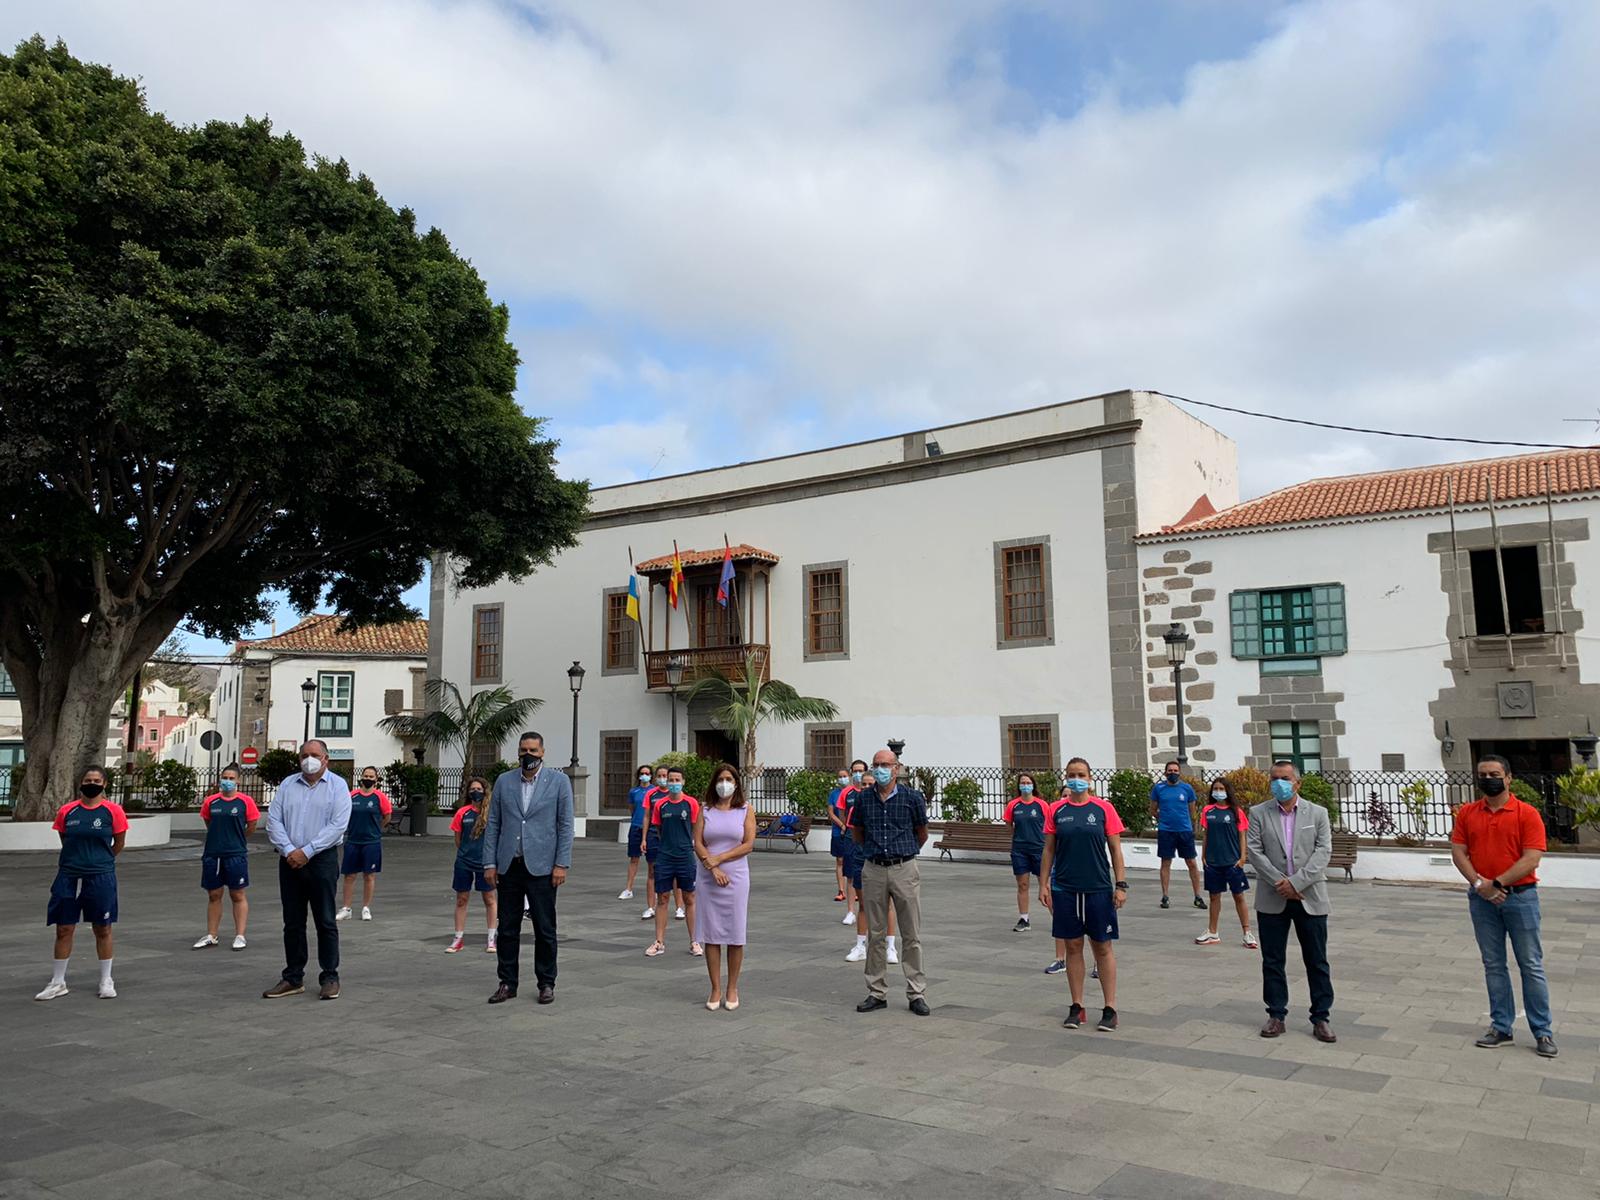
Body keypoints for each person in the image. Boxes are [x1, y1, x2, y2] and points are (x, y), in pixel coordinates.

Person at [1450, 755, 1557, 1058]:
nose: (1488, 779)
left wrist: (1495, 884)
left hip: (1521, 898)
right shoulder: (1469, 813)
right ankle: (1501, 1026)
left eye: (1494, 774)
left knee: (1531, 965)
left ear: (1508, 778)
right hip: (1482, 901)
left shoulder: (1527, 814)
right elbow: (1458, 851)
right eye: (1482, 775)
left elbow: (1531, 858)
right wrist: (1479, 885)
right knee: (1493, 965)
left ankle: (1542, 1031)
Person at [1246, 760, 1336, 1043]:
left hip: (1309, 895)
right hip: (1273, 897)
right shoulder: (1258, 813)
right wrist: (1280, 883)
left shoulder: (1317, 813)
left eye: (1284, 778)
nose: (1278, 783)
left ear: (1297, 782)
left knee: (1317, 960)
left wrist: (1296, 883)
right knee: (1272, 960)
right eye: (1274, 778)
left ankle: (1321, 1017)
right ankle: (1276, 1014)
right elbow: (1254, 851)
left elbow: (1323, 851)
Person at [484, 732, 575, 1005]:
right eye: (524, 749)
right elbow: (494, 824)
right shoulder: (504, 781)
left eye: (533, 750)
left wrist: (561, 863)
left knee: (545, 928)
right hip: (509, 865)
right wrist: (490, 862)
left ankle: (546, 982)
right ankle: (507, 982)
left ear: (543, 752)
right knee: (508, 927)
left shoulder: (558, 782)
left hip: (543, 866)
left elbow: (565, 826)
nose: (528, 755)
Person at [1039, 757, 1126, 1032]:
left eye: (1081, 774)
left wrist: (1121, 884)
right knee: (1073, 947)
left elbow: (1115, 849)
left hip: (1098, 888)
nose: (1076, 778)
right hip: (1065, 888)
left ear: (1090, 779)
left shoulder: (1103, 809)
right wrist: (1043, 884)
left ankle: (1110, 1008)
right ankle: (1077, 1006)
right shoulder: (1056, 810)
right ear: (1065, 778)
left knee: (1102, 946)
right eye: (1071, 774)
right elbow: (1049, 849)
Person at [263, 740, 352, 1000]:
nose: (308, 759)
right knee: (292, 922)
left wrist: (307, 851)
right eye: (304, 755)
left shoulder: (337, 786)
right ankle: (293, 976)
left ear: (326, 759)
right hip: (289, 860)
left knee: (325, 920)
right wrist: (290, 850)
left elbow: (338, 825)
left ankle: (330, 976)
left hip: (321, 859)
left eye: (314, 755)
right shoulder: (288, 784)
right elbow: (274, 821)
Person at [36, 766, 127, 1001]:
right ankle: (58, 982)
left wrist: (101, 861)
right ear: (81, 782)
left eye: (97, 780)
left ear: (104, 784)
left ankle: (106, 980)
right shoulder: (68, 811)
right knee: (64, 927)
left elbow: (118, 843)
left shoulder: (113, 811)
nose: (92, 783)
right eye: (88, 779)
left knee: (102, 927)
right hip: (69, 875)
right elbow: (65, 839)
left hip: (100, 876)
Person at [850, 748, 929, 1016]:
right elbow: (857, 831)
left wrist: (903, 852)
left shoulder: (912, 798)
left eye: (886, 764)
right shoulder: (864, 800)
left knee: (911, 933)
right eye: (876, 764)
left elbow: (922, 833)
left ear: (897, 768)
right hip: (873, 869)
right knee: (876, 933)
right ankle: (876, 991)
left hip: (904, 867)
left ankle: (916, 992)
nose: (881, 769)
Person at [694, 763, 757, 1009]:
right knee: (711, 933)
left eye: (729, 779)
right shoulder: (705, 809)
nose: (725, 783)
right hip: (709, 876)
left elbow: (748, 844)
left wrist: (719, 859)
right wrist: (712, 867)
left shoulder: (745, 810)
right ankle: (715, 987)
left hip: (736, 876)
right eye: (721, 779)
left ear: (736, 783)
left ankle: (732, 986)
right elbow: (698, 842)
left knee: (735, 932)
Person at [193, 764, 260, 951]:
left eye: (231, 778)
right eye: (225, 777)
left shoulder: (245, 802)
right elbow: (208, 822)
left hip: (235, 855)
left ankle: (240, 935)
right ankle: (211, 935)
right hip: (213, 855)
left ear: (238, 781)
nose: (227, 781)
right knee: (214, 894)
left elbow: (252, 825)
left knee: (237, 893)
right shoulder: (211, 802)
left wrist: (236, 839)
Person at [841, 762, 899, 963]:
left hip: (881, 860)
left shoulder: (883, 806)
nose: (865, 787)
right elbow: (854, 833)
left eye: (869, 784)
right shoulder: (856, 807)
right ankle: (860, 946)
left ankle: (890, 947)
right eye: (863, 784)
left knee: (888, 904)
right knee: (864, 904)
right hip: (861, 857)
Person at [644, 766, 701, 958]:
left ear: (683, 782)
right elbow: (658, 829)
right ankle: (659, 941)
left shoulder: (691, 803)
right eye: (671, 780)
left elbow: (696, 828)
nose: (674, 783)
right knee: (663, 898)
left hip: (685, 856)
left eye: (677, 780)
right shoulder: (660, 805)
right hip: (665, 856)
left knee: (689, 898)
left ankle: (694, 940)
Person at [1195, 776, 1255, 949]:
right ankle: (1212, 932)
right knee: (1214, 897)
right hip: (1213, 862)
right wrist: (1204, 856)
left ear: (1227, 791)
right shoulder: (1208, 810)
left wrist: (1243, 857)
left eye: (1222, 789)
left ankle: (1247, 933)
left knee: (1239, 896)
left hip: (1232, 862)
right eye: (1216, 789)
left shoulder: (1236, 811)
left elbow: (1242, 835)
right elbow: (1206, 834)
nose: (1218, 792)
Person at [447, 777, 497, 954]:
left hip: (485, 863)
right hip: (464, 862)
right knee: (462, 899)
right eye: (472, 789)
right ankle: (458, 938)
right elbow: (458, 840)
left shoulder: (492, 813)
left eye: (479, 788)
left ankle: (492, 939)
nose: (475, 791)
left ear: (485, 791)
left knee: (489, 899)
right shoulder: (462, 813)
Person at [338, 766, 391, 921]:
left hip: (371, 842)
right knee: (349, 876)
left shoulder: (379, 797)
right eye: (366, 776)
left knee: (369, 876)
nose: (368, 779)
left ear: (376, 779)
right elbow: (343, 812)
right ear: (361, 777)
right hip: (353, 841)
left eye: (371, 776)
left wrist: (377, 829)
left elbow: (387, 816)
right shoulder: (352, 795)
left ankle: (366, 908)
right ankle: (346, 908)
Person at [1149, 760, 1203, 910]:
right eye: (1170, 771)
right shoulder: (1158, 789)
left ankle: (1197, 896)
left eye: (1175, 770)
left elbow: (1192, 811)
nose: (1172, 773)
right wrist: (1163, 819)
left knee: (1191, 863)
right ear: (1165, 772)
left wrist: (1187, 823)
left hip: (1184, 831)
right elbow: (1153, 809)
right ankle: (1165, 896)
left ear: (1179, 772)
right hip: (1166, 831)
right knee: (1166, 863)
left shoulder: (1187, 789)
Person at [1004, 772, 1049, 933]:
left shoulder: (1041, 805)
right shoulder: (1013, 805)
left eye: (1028, 782)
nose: (1025, 785)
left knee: (1045, 884)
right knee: (1022, 884)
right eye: (1022, 782)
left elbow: (1049, 826)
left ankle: (1056, 916)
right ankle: (1024, 918)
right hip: (1020, 850)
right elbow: (1009, 825)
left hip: (1039, 849)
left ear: (1033, 785)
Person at [640, 765, 684, 923]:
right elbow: (646, 816)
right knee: (652, 871)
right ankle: (650, 906)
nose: (664, 779)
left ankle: (679, 906)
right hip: (654, 835)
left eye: (666, 776)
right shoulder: (651, 794)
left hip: (672, 838)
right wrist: (644, 838)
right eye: (660, 776)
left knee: (676, 873)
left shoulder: (678, 796)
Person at [619, 764, 654, 900]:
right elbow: (632, 808)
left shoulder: (654, 791)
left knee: (652, 861)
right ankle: (628, 888)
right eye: (642, 773)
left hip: (651, 829)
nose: (644, 775)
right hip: (636, 826)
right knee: (634, 858)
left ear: (651, 776)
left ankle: (654, 889)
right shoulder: (634, 792)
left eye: (647, 773)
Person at [828, 766, 852, 903]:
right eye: (839, 776)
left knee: (852, 859)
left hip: (851, 831)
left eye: (844, 775)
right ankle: (841, 890)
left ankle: (854, 890)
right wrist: (842, 825)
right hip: (838, 832)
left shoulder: (852, 792)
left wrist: (848, 826)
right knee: (840, 860)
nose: (842, 778)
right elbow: (831, 813)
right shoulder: (834, 794)